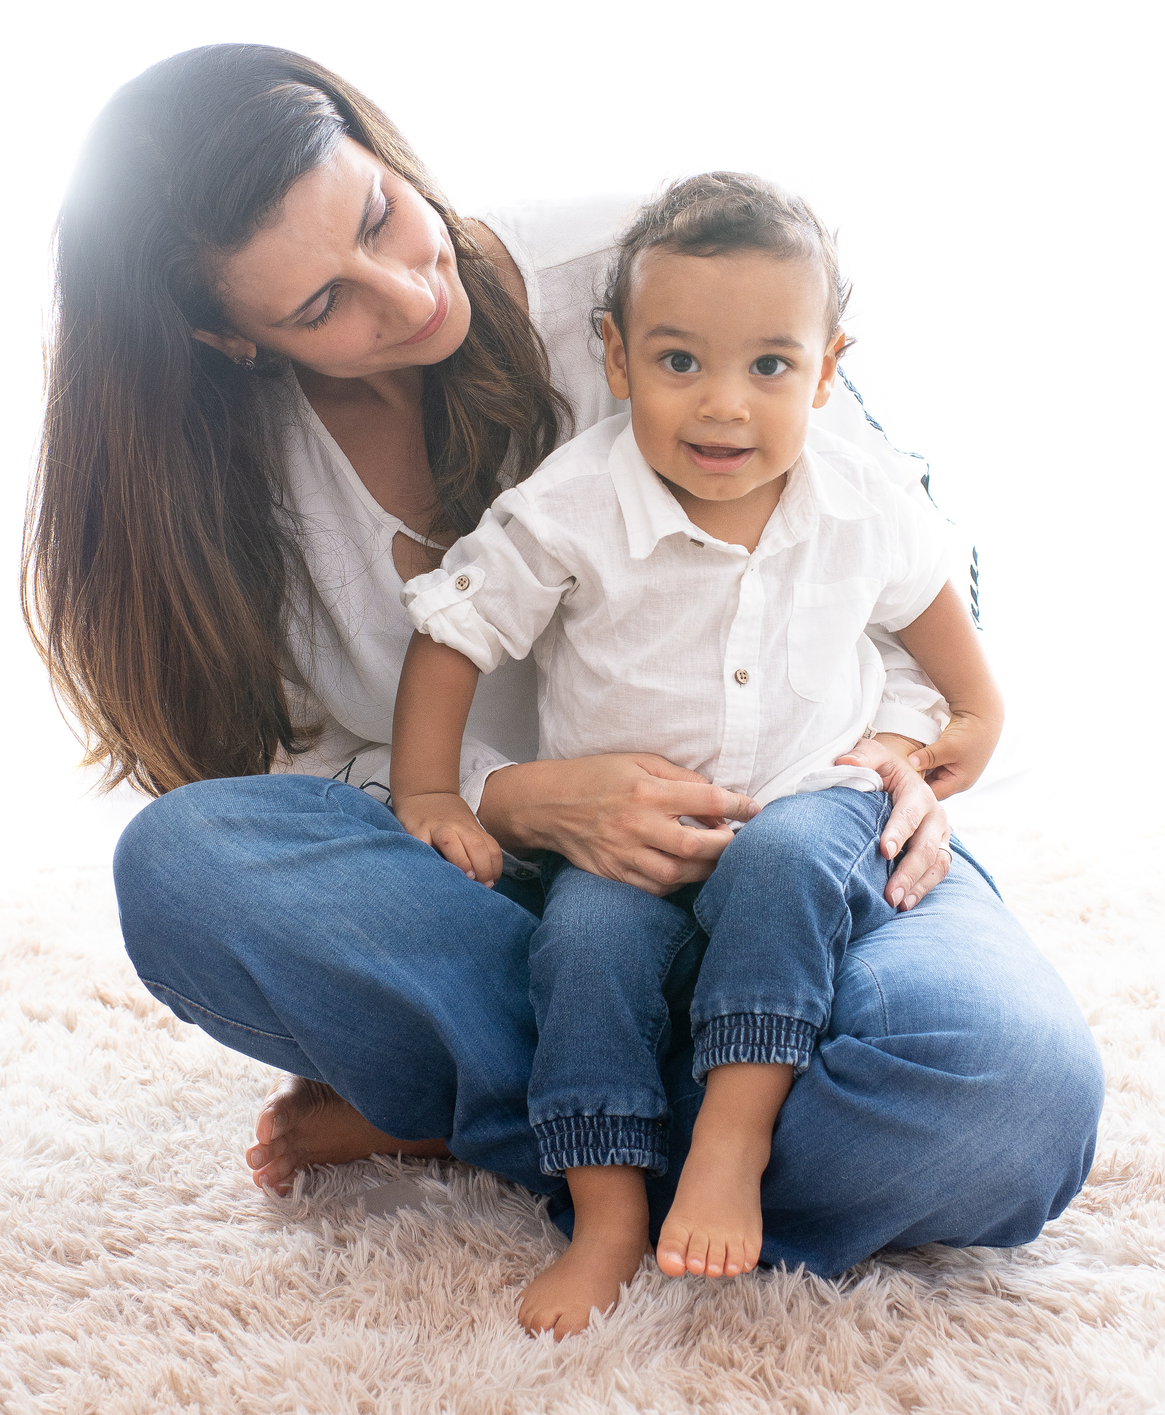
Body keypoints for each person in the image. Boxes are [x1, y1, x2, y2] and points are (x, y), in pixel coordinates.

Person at [23, 44, 1101, 1326]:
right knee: (185, 863)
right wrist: (516, 798)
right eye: (323, 306)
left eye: (379, 215)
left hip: (805, 835)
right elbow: (296, 772)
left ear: (379, 147)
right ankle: (682, 1127)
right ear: (227, 337)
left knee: (1010, 1101)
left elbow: (895, 531)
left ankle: (524, 1120)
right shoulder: (214, 497)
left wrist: (904, 743)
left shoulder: (637, 271)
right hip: (498, 890)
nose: (405, 291)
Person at [391, 175, 1006, 1336]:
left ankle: (731, 1136)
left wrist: (956, 730)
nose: (723, 406)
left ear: (827, 372)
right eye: (680, 363)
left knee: (783, 864)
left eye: (770, 367)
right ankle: (608, 1205)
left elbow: (945, 640)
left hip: (807, 799)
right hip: (631, 833)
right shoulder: (570, 501)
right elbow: (455, 628)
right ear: (616, 361)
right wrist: (430, 789)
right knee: (582, 945)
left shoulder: (860, 494)